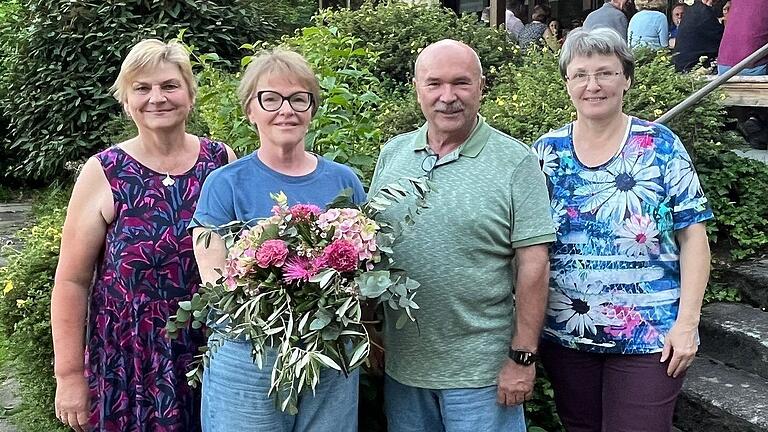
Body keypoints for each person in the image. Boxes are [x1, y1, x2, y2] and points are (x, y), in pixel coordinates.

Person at [369, 39, 555, 432]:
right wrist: (372, 328)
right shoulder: (393, 154)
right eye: (434, 84)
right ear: (417, 88)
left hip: (483, 375)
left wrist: (522, 358)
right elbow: (371, 250)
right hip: (405, 371)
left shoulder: (515, 161)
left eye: (461, 83)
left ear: (481, 87)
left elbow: (534, 265)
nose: (447, 97)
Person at [532, 28, 713, 432]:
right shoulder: (546, 151)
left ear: (627, 79)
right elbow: (530, 245)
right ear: (567, 83)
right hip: (566, 336)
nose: (592, 85)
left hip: (649, 339)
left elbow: (694, 239)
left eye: (606, 73)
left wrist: (687, 324)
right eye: (580, 74)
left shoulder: (660, 145)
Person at [51, 39, 235, 431]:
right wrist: (68, 376)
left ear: (189, 93)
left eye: (169, 86)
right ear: (126, 99)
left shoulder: (221, 162)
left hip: (211, 351)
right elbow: (71, 280)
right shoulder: (104, 171)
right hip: (129, 360)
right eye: (143, 88)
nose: (157, 98)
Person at [190, 50, 365, 432]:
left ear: (312, 109)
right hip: (247, 356)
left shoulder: (344, 182)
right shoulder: (223, 184)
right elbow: (214, 276)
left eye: (299, 98)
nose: (286, 110)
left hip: (329, 355)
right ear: (250, 110)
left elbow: (367, 264)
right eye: (270, 99)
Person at [672, 0, 723, 72]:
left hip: (683, 66)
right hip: (693, 69)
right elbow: (723, 41)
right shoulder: (704, 13)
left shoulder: (693, 11)